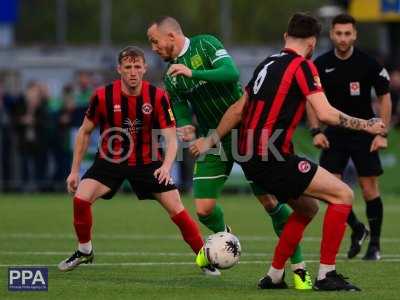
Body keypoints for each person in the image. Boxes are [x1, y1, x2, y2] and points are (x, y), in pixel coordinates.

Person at [190, 13, 386, 291]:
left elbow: (237, 110)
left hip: (251, 157)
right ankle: (326, 274)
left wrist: (210, 140)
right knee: (343, 194)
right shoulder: (303, 67)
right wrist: (368, 125)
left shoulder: (265, 64)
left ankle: (274, 275)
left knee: (307, 208)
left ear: (286, 38)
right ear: (312, 43)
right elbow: (326, 113)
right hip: (274, 157)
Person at [147, 16, 313, 287]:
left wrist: (194, 73)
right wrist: (186, 126)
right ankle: (226, 238)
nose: (153, 48)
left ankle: (299, 268)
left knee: (271, 203)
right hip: (213, 140)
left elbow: (231, 73)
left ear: (171, 37)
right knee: (203, 209)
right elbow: (178, 105)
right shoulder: (170, 75)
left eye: (155, 41)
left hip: (246, 132)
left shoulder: (206, 45)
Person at [57, 46, 217, 275]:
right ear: (119, 69)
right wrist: (74, 171)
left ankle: (205, 259)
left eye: (137, 67)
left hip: (148, 162)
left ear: (145, 69)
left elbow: (171, 138)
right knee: (81, 198)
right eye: (128, 67)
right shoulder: (102, 96)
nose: (133, 72)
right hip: (110, 161)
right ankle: (85, 250)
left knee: (176, 207)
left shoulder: (158, 97)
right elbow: (84, 132)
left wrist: (165, 167)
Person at [309, 13, 392, 260]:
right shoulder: (320, 64)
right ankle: (357, 228)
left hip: (365, 133)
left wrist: (382, 132)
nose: (343, 38)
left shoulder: (369, 63)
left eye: (348, 34)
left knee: (368, 190)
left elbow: (384, 96)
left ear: (355, 35)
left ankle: (374, 245)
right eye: (338, 33)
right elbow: (310, 100)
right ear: (331, 35)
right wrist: (315, 131)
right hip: (334, 133)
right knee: (329, 189)